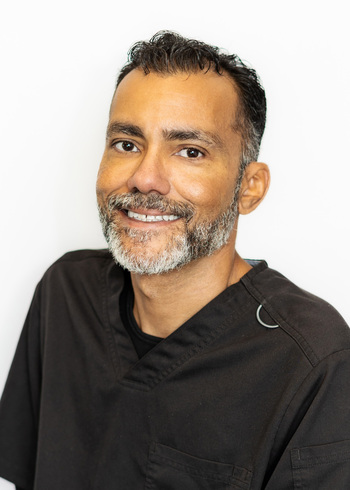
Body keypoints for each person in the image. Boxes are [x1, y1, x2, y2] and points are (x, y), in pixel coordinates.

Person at [0, 31, 349, 490]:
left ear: (250, 188)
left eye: (190, 151)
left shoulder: (313, 363)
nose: (146, 178)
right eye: (127, 143)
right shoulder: (66, 292)